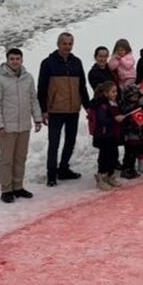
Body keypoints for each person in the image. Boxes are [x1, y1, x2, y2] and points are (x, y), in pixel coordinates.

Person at [0, 48, 43, 203]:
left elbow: (33, 99)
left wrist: (37, 118)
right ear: (7, 60)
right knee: (6, 159)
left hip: (24, 125)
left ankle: (18, 186)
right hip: (7, 127)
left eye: (17, 59)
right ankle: (6, 189)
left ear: (22, 60)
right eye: (12, 59)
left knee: (20, 157)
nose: (15, 61)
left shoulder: (28, 78)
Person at [37, 32, 91, 186]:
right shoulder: (48, 63)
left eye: (70, 44)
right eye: (64, 43)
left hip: (73, 109)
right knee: (53, 142)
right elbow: (41, 88)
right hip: (55, 109)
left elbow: (82, 87)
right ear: (58, 44)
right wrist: (43, 109)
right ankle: (51, 174)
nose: (67, 46)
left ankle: (64, 169)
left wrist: (87, 107)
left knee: (70, 141)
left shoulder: (77, 62)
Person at [90, 81, 125, 191]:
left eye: (116, 91)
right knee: (104, 156)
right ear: (105, 93)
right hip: (104, 135)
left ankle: (110, 175)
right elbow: (102, 120)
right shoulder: (101, 105)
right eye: (113, 92)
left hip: (112, 134)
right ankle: (101, 177)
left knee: (114, 155)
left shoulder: (114, 103)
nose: (115, 94)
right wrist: (115, 119)